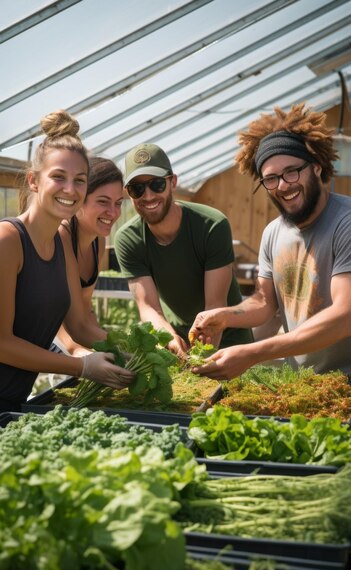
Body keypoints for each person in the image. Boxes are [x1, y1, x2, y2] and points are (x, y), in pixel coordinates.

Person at [189, 103, 351, 381]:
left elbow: (345, 315)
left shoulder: (345, 222)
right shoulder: (273, 232)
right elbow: (265, 301)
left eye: (292, 172)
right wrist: (225, 315)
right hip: (302, 384)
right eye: (271, 179)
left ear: (315, 167)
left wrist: (254, 352)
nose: (283, 186)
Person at [0, 109, 134, 412]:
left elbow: (78, 322)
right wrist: (81, 366)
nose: (70, 190)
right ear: (34, 181)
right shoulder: (8, 239)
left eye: (80, 180)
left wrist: (133, 349)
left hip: (13, 401)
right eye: (58, 177)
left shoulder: (59, 246)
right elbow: (1, 342)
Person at [114, 142, 253, 357]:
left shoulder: (211, 225)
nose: (148, 196)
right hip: (177, 338)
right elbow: (148, 306)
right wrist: (168, 338)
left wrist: (202, 358)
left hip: (229, 338)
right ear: (128, 194)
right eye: (137, 188)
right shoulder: (128, 239)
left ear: (173, 182)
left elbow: (215, 305)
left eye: (157, 184)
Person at [54, 156, 124, 356]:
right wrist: (78, 351)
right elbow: (56, 319)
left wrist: (111, 342)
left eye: (118, 203)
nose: (113, 212)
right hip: (41, 341)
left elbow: (85, 310)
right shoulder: (60, 237)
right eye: (103, 202)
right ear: (79, 200)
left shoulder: (97, 241)